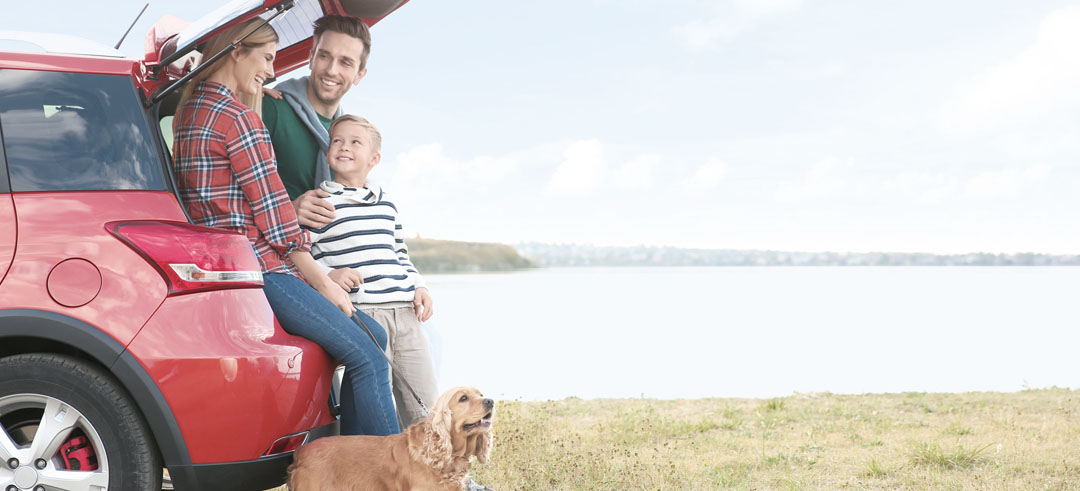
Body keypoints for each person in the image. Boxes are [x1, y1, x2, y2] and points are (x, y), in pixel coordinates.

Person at [170, 17, 399, 437]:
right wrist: (325, 284)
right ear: (237, 50)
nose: (272, 71)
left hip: (228, 266)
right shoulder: (240, 120)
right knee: (369, 354)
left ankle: (348, 466)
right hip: (265, 271)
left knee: (373, 339)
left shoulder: (190, 112)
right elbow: (277, 222)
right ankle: (399, 476)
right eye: (267, 57)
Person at [308, 114, 437, 429]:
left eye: (355, 142)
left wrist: (420, 286)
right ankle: (378, 468)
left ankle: (440, 477)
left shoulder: (386, 205)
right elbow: (303, 253)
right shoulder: (320, 203)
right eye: (337, 140)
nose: (344, 147)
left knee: (425, 406)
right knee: (374, 404)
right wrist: (328, 274)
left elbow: (399, 253)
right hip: (365, 313)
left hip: (406, 312)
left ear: (374, 158)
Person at [262, 14, 370, 229]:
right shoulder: (270, 108)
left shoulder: (348, 137)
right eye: (324, 56)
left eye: (345, 62)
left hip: (326, 254)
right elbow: (230, 194)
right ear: (311, 57)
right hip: (274, 252)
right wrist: (288, 211)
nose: (331, 70)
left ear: (359, 75)